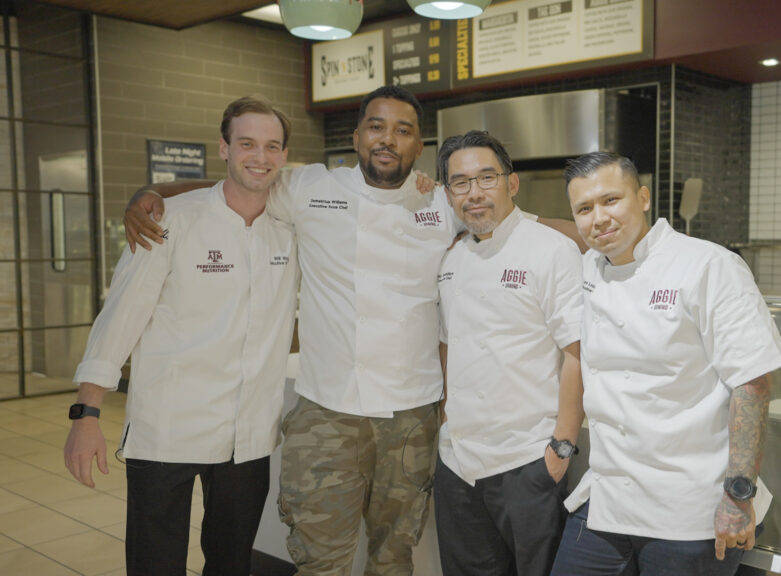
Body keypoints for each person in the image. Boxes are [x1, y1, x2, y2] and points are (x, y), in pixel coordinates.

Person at [123, 86, 582, 576]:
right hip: (328, 414)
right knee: (322, 562)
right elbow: (233, 188)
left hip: (412, 416)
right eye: (377, 127)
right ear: (358, 136)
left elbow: (524, 225)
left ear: (418, 144)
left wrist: (620, 236)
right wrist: (149, 195)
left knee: (394, 557)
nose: (389, 139)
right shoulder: (309, 188)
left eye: (403, 130)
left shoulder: (443, 203)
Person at [63, 95, 299, 576]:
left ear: (285, 156)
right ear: (224, 148)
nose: (260, 156)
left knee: (232, 564)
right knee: (156, 564)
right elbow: (119, 320)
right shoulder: (170, 220)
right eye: (247, 143)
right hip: (168, 428)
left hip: (248, 435)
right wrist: (87, 413)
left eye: (272, 146)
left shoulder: (292, 228)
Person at [550, 151, 781, 576]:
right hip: (607, 498)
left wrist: (738, 497)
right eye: (584, 209)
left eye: (611, 200)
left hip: (690, 508)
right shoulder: (589, 268)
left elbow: (752, 384)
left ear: (642, 197)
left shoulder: (709, 265)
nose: (598, 218)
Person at [432, 131, 583, 576]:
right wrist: (445, 418)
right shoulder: (451, 258)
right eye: (460, 182)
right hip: (457, 463)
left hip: (527, 461)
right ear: (447, 193)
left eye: (486, 178)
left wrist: (562, 444)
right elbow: (448, 343)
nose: (474, 192)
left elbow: (577, 351)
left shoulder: (551, 250)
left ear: (511, 184)